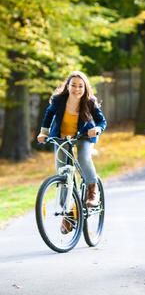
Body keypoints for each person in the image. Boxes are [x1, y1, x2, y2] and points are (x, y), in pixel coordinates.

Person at [37, 71, 107, 233]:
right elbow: (48, 115)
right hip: (61, 137)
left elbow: (102, 121)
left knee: (83, 158)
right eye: (73, 85)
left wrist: (96, 129)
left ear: (85, 88)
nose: (77, 89)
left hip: (83, 137)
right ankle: (68, 214)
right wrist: (44, 132)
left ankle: (92, 190)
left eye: (80, 86)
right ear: (67, 86)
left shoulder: (90, 102)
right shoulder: (58, 100)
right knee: (63, 173)